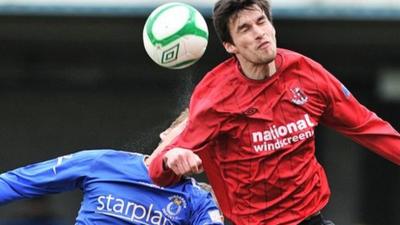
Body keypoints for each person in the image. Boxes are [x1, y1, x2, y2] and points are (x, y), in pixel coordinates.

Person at [148, 0, 400, 225]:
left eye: (261, 21)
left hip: (311, 219)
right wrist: (172, 158)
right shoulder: (214, 97)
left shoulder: (307, 74)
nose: (259, 33)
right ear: (229, 45)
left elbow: (367, 127)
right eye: (245, 29)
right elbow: (160, 171)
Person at [0, 109, 224, 225]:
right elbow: (18, 182)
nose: (188, 145)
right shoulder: (101, 163)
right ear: (165, 134)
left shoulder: (199, 200)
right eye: (185, 133)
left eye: (198, 143)